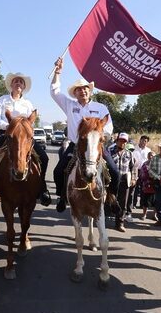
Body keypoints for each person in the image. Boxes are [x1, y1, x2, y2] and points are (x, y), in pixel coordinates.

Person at [50, 57, 121, 214]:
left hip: (97, 147)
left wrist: (104, 136)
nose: (82, 91)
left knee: (115, 172)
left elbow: (108, 125)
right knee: (58, 170)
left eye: (85, 88)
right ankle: (61, 196)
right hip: (77, 146)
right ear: (75, 93)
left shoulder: (100, 107)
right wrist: (58, 72)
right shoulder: (69, 105)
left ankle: (112, 197)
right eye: (79, 89)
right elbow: (54, 92)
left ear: (90, 91)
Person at [0, 72, 51, 209]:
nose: (18, 83)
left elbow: (31, 121)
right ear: (11, 85)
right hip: (5, 133)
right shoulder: (1, 100)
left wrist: (24, 130)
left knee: (44, 157)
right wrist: (8, 126)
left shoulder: (28, 103)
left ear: (24, 87)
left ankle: (42, 188)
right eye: (16, 81)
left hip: (24, 136)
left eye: (21, 82)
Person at [107, 133, 136, 231]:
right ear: (117, 140)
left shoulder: (129, 153)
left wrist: (133, 179)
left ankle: (120, 223)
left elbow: (133, 167)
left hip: (125, 180)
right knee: (110, 200)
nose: (122, 143)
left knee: (123, 202)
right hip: (112, 180)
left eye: (125, 141)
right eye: (121, 140)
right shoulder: (109, 151)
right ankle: (105, 218)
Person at [132, 135, 151, 208]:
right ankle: (133, 204)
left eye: (146, 141)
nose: (144, 142)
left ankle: (142, 204)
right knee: (135, 187)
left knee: (144, 188)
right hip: (136, 170)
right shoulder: (134, 149)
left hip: (145, 171)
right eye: (143, 140)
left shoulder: (148, 150)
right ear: (140, 140)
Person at [138, 150, 156, 220]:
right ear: (148, 156)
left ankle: (154, 215)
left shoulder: (157, 164)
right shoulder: (145, 164)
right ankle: (144, 214)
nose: (151, 157)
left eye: (153, 155)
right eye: (150, 155)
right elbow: (141, 174)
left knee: (155, 202)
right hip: (146, 185)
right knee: (145, 201)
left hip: (155, 186)